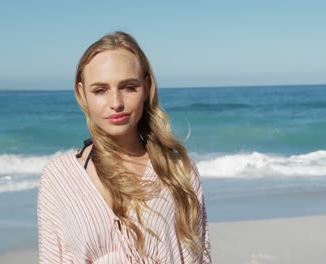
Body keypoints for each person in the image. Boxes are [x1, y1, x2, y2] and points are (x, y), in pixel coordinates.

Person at [37, 31, 211, 263]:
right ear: (82, 93)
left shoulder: (178, 171)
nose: (116, 103)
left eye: (129, 87)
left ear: (147, 87)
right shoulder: (60, 177)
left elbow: (199, 257)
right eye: (100, 90)